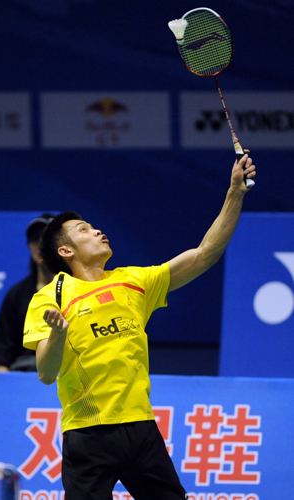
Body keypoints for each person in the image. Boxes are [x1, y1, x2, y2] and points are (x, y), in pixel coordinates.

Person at [23, 154, 256, 499]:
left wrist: (235, 192)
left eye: (93, 225)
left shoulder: (134, 281)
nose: (97, 230)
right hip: (89, 434)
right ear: (65, 250)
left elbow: (205, 254)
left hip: (141, 428)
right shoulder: (51, 297)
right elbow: (45, 372)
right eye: (83, 230)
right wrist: (58, 334)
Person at [0, 213, 55, 372]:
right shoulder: (16, 294)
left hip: (69, 370)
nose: (41, 245)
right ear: (29, 246)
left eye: (48, 239)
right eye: (36, 239)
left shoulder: (81, 291)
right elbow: (2, 352)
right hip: (25, 372)